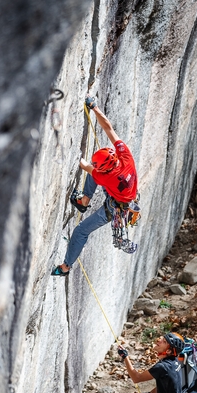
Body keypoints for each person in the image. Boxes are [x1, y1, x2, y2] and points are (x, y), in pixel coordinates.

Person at [51, 97, 138, 276]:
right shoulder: (125, 156)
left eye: (98, 165)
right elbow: (109, 129)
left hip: (115, 209)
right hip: (122, 195)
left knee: (80, 231)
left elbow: (85, 165)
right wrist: (95, 108)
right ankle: (83, 202)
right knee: (94, 176)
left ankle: (66, 267)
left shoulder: (106, 177)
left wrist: (70, 152)